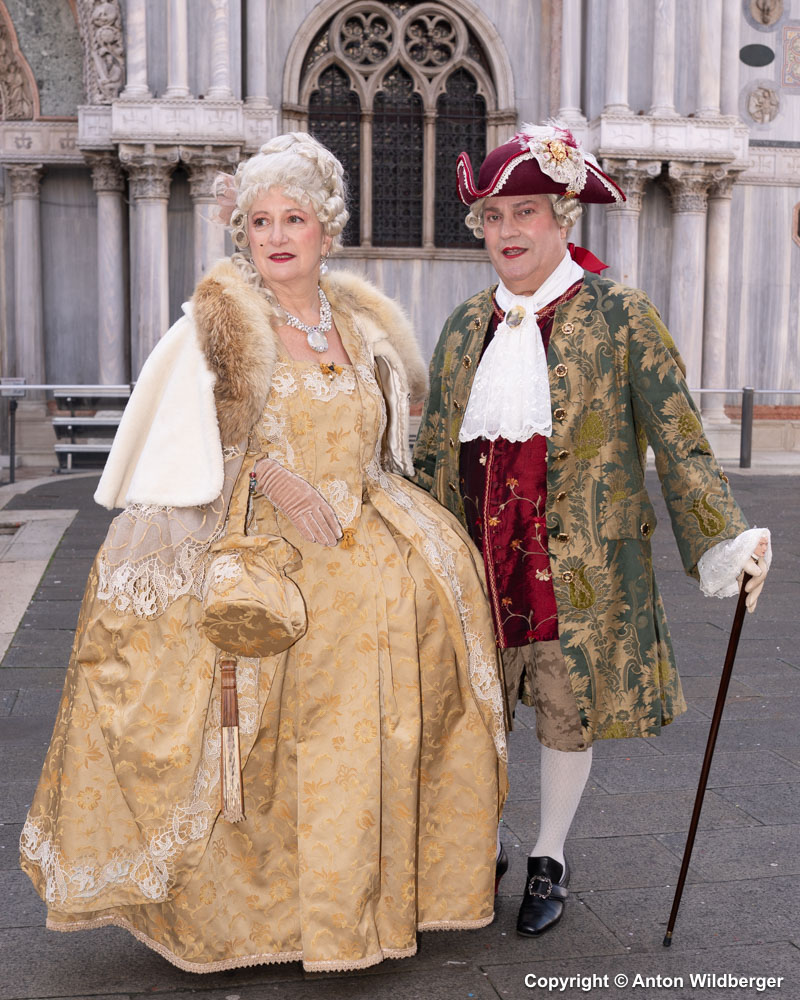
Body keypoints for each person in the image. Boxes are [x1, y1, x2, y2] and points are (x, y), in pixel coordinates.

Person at [20, 133, 508, 974]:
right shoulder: (217, 332)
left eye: (295, 218)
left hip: (374, 550)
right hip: (269, 557)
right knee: (271, 740)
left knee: (394, 725)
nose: (277, 236)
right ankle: (266, 922)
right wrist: (268, 473)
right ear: (241, 231)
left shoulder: (361, 326)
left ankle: (365, 910)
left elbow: (383, 446)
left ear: (327, 228)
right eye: (259, 221)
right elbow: (179, 451)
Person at [413, 122, 770, 939]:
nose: (508, 230)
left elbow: (677, 435)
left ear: (562, 218)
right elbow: (433, 450)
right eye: (494, 216)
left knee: (566, 710)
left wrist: (727, 539)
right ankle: (484, 844)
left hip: (577, 565)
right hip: (475, 559)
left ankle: (549, 853)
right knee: (472, 708)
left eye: (526, 212)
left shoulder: (620, 314)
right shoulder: (465, 324)